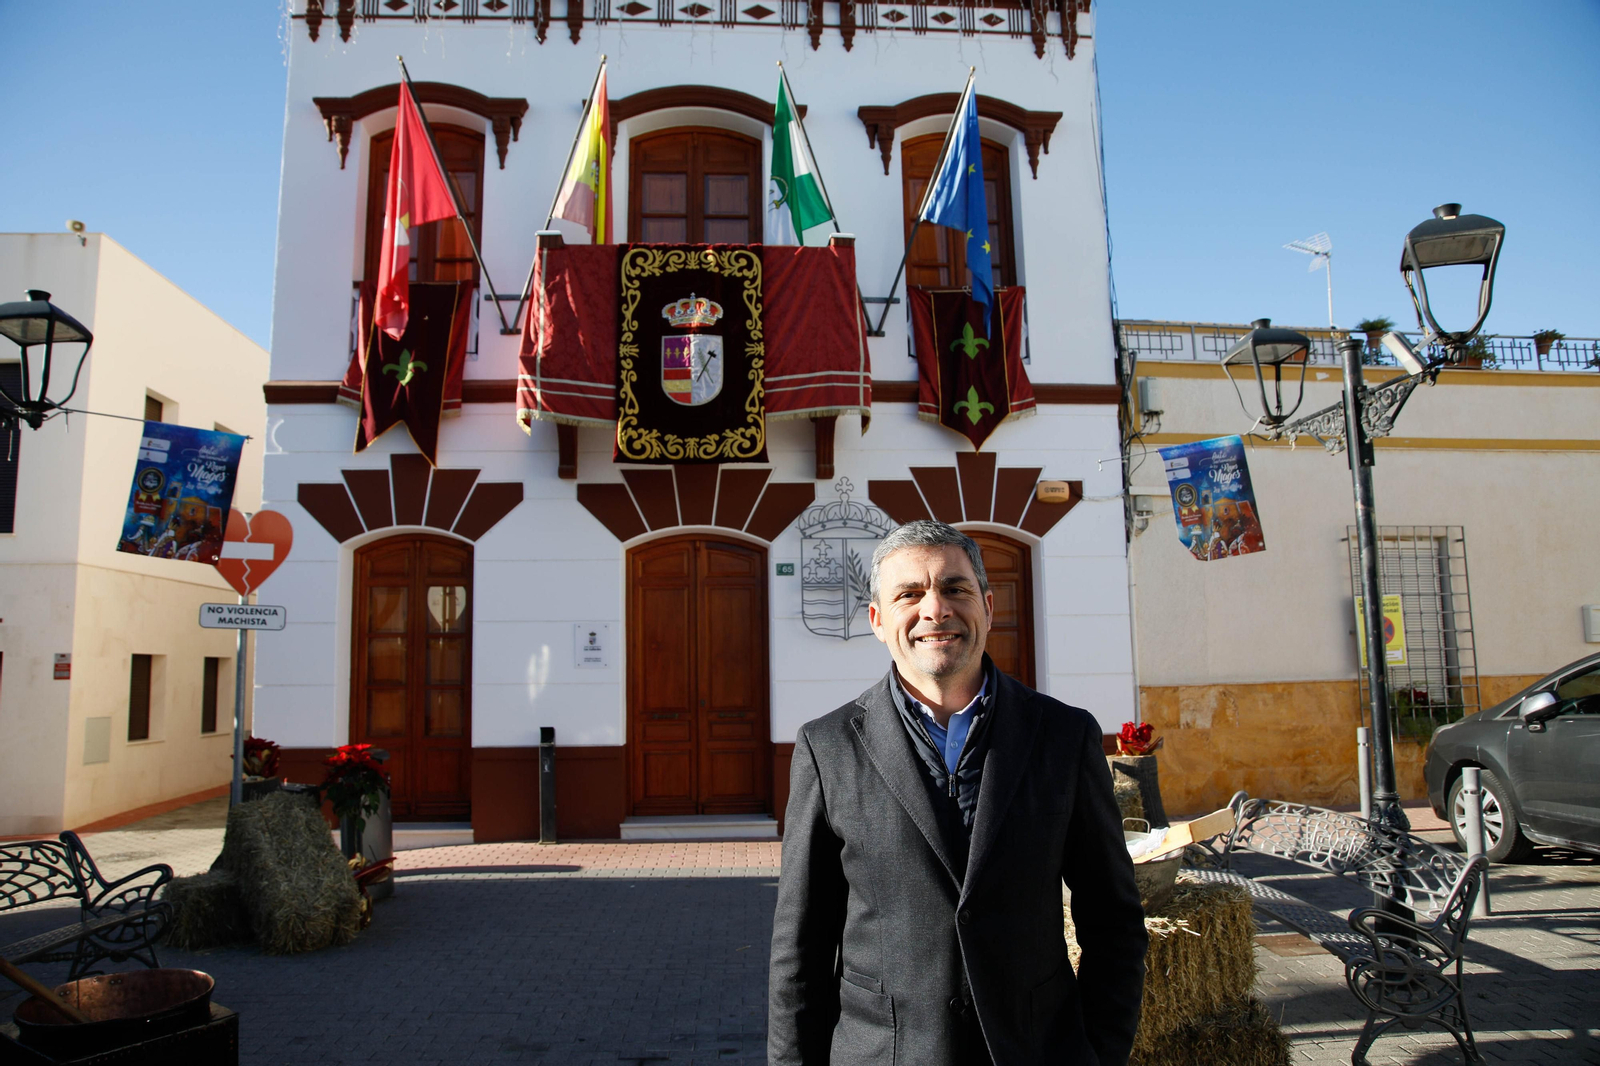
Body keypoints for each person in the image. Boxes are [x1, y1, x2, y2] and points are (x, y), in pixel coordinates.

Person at [769, 520, 1147, 1066]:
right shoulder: (827, 748)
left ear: (988, 607)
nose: (935, 610)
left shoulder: (1064, 737)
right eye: (909, 594)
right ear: (878, 620)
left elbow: (1113, 921)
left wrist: (1098, 1054)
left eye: (954, 589)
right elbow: (800, 950)